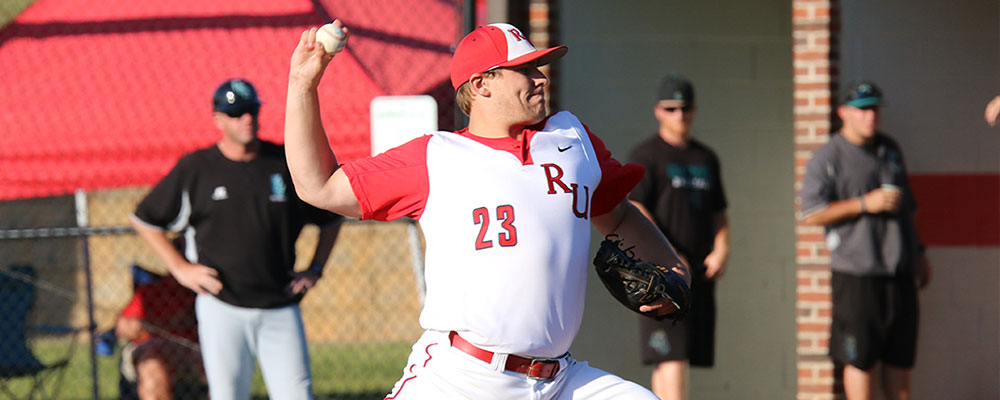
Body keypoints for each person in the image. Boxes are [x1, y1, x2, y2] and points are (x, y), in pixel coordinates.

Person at [284, 21, 691, 399]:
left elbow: (617, 213)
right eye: (526, 69)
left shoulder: (571, 139)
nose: (542, 78)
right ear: (481, 84)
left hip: (561, 380)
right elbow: (317, 186)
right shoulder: (437, 158)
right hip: (462, 377)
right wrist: (303, 84)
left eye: (539, 66)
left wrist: (672, 267)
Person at [130, 78, 343, 400]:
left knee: (297, 394)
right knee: (229, 394)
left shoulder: (283, 161)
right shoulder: (197, 168)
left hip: (279, 303)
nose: (247, 118)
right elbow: (145, 219)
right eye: (236, 112)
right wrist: (180, 268)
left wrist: (315, 268)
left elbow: (331, 216)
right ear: (217, 120)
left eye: (252, 110)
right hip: (222, 304)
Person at [798, 80, 931, 400]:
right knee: (860, 360)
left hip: (898, 271)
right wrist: (863, 204)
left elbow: (908, 208)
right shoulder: (829, 156)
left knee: (899, 359)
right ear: (844, 112)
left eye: (874, 109)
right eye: (862, 109)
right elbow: (811, 213)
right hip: (857, 275)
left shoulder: (890, 149)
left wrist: (919, 253)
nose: (870, 116)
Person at [627, 75, 729, 400]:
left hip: (700, 271)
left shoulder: (706, 158)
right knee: (669, 356)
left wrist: (722, 248)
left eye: (684, 108)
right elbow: (636, 208)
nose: (679, 115)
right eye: (671, 109)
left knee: (684, 355)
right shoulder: (646, 155)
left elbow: (719, 211)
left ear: (694, 111)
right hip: (664, 273)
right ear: (658, 111)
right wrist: (667, 254)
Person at [112, 265, 203, 400]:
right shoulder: (151, 291)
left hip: (193, 349)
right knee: (152, 366)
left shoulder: (202, 293)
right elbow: (121, 326)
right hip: (152, 347)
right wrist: (134, 326)